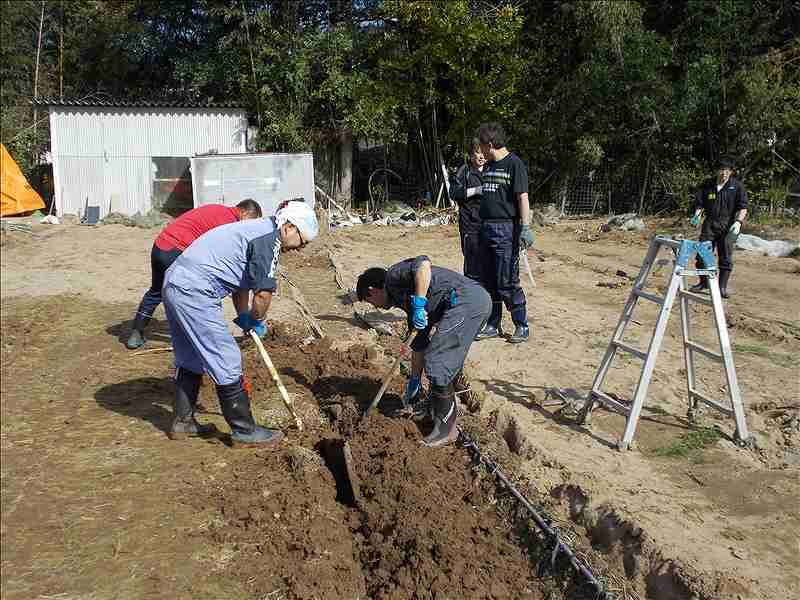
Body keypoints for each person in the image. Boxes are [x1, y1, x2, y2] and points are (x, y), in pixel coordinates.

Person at [162, 200, 319, 445]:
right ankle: (244, 430)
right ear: (289, 228)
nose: (300, 249)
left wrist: (243, 315)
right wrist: (257, 319)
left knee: (190, 357)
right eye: (303, 241)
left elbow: (241, 283)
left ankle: (183, 422)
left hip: (176, 282)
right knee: (227, 356)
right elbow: (263, 294)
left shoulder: (256, 230)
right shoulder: (270, 240)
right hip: (194, 290)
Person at [356, 255, 491, 447]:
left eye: (371, 303)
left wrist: (420, 303)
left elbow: (423, 264)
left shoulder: (393, 276)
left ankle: (446, 428)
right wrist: (414, 380)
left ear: (372, 291)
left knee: (438, 360)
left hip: (467, 300)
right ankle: (434, 409)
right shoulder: (406, 304)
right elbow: (418, 346)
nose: (375, 307)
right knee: (440, 359)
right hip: (466, 304)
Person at [126, 199, 263, 349]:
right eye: (250, 222)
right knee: (193, 296)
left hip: (161, 245)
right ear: (245, 212)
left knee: (156, 291)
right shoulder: (230, 225)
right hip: (178, 251)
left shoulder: (216, 208)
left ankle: (136, 333)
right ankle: (201, 341)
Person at [473, 122, 533, 343]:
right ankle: (493, 323)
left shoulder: (514, 164)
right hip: (486, 228)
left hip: (505, 229)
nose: (480, 151)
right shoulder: (489, 166)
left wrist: (525, 227)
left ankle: (521, 324)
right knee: (489, 280)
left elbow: (522, 197)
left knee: (506, 279)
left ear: (490, 144)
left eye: (482, 147)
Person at [689, 157, 748, 298]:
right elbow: (699, 203)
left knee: (725, 257)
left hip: (728, 226)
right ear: (717, 171)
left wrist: (738, 222)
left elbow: (743, 207)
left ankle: (721, 287)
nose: (724, 174)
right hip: (709, 224)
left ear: (731, 172)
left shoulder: (737, 186)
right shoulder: (707, 184)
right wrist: (697, 215)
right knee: (702, 253)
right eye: (722, 170)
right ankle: (703, 283)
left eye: (727, 171)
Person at [449, 139, 485, 282]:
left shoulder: (493, 169)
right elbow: (454, 193)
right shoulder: (464, 171)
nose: (481, 156)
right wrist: (476, 191)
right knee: (472, 266)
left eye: (483, 152)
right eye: (478, 153)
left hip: (489, 224)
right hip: (470, 225)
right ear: (471, 155)